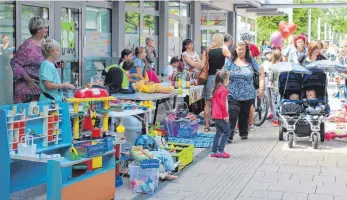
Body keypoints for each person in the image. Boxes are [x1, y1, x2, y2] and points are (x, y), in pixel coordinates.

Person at [11, 16, 65, 103]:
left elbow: (45, 63)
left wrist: (57, 64)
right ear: (38, 29)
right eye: (45, 28)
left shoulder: (45, 43)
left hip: (41, 90)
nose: (47, 30)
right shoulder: (27, 46)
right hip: (27, 90)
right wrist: (28, 79)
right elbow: (14, 63)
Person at [224, 41, 265, 142]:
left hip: (248, 93)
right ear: (235, 50)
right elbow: (225, 75)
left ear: (246, 50)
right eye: (239, 49)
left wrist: (261, 88)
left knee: (244, 114)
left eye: (243, 49)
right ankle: (229, 135)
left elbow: (261, 72)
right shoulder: (230, 61)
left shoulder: (251, 61)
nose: (241, 51)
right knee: (233, 113)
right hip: (233, 92)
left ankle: (244, 133)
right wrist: (223, 86)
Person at [202, 33, 231, 133]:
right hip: (220, 77)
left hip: (210, 77)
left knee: (208, 103)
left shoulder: (207, 50)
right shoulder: (223, 49)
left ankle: (206, 126)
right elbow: (231, 58)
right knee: (221, 101)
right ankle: (221, 125)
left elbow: (203, 65)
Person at [210, 69, 231, 158]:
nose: (229, 81)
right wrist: (226, 115)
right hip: (221, 116)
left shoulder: (215, 88)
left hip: (215, 115)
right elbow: (222, 104)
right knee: (227, 132)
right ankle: (220, 151)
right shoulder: (224, 90)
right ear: (224, 80)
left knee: (218, 133)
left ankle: (214, 151)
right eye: (228, 79)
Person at [268, 50, 282, 126]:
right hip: (281, 86)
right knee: (280, 102)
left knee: (273, 103)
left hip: (273, 87)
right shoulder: (283, 66)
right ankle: (281, 118)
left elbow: (270, 78)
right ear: (280, 57)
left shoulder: (272, 67)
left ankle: (275, 120)